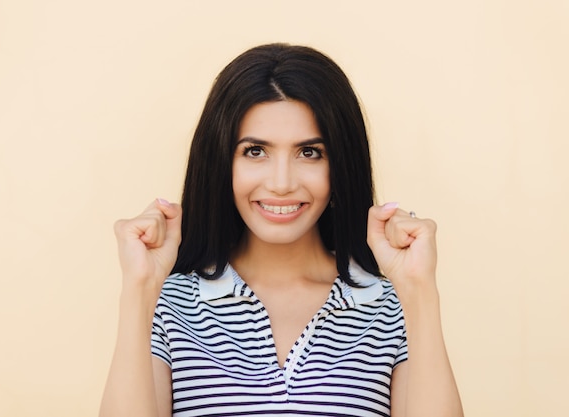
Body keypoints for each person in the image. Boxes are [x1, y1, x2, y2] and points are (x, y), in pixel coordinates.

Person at [100, 43, 463, 417]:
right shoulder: (168, 306)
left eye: (309, 153)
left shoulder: (391, 308)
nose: (281, 183)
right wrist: (139, 289)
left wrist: (419, 291)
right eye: (255, 151)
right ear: (221, 162)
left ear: (340, 164)